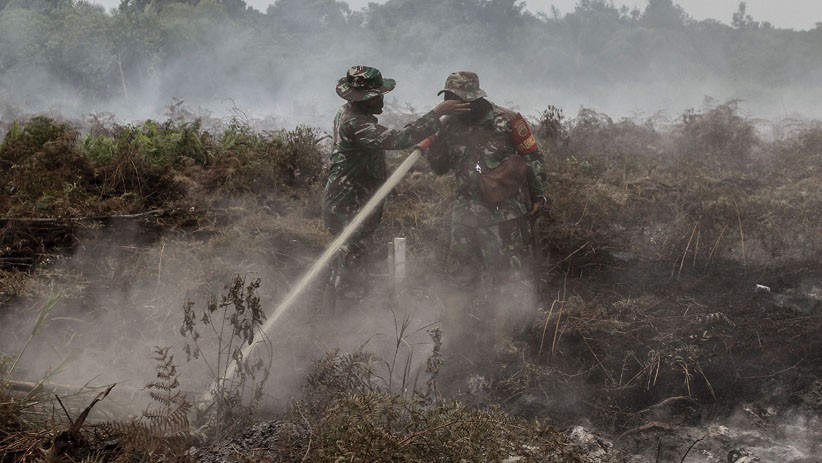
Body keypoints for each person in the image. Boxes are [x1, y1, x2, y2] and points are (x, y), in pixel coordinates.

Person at [421, 71, 547, 347]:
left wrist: (538, 195)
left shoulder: (509, 121)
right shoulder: (447, 127)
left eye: (460, 99)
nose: (456, 105)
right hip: (465, 216)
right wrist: (434, 142)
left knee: (507, 277)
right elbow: (440, 168)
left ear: (476, 97)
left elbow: (533, 160)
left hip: (505, 216)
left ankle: (504, 340)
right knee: (459, 276)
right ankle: (452, 340)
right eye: (450, 99)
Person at [323, 65, 468, 298]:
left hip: (345, 201)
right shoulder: (355, 123)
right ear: (362, 100)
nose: (381, 100)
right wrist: (437, 112)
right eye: (375, 96)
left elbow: (387, 138)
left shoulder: (349, 113)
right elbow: (397, 139)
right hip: (349, 206)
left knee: (344, 260)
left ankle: (335, 310)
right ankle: (346, 317)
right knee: (352, 265)